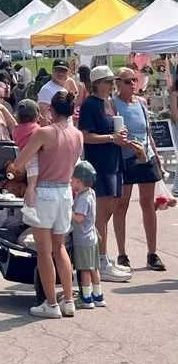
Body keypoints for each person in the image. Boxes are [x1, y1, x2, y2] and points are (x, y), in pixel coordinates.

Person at [6, 90, 83, 318]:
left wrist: (16, 165)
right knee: (60, 248)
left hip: (45, 191)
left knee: (44, 252)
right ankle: (68, 299)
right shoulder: (77, 134)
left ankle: (50, 303)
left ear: (51, 110)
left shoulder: (44, 133)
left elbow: (20, 162)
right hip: (65, 191)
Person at [78, 65, 131, 283]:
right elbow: (84, 135)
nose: (112, 85)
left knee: (108, 209)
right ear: (97, 83)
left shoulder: (107, 103)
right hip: (99, 163)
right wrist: (111, 138)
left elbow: (110, 130)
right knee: (101, 212)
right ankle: (100, 260)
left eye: (112, 81)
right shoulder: (90, 104)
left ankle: (103, 258)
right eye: (108, 81)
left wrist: (119, 134)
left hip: (113, 161)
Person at [111, 67, 166, 272]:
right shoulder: (113, 104)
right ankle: (122, 253)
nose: (133, 84)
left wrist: (157, 157)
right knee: (122, 203)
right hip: (125, 157)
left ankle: (152, 253)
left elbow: (148, 133)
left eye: (134, 80)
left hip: (145, 155)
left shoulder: (141, 102)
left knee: (148, 203)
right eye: (128, 81)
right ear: (118, 83)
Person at [71, 161, 105, 309]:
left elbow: (79, 217)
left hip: (83, 239)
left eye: (72, 179)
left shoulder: (83, 198)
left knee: (84, 269)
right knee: (94, 268)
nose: (70, 181)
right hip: (91, 236)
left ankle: (86, 298)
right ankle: (98, 295)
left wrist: (68, 211)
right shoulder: (91, 193)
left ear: (79, 181)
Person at [36, 60, 78, 125]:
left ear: (67, 73)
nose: (60, 73)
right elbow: (43, 116)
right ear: (53, 70)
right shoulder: (46, 90)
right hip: (56, 129)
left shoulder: (63, 89)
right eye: (58, 70)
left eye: (63, 71)